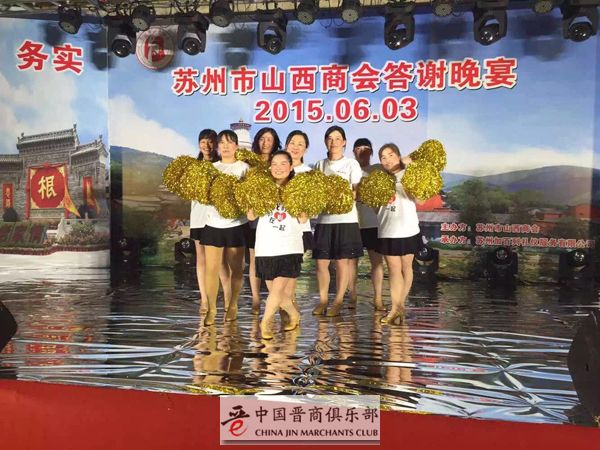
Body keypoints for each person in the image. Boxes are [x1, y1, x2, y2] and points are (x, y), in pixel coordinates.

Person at [247, 151, 305, 340]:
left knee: (278, 290)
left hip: (289, 245)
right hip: (266, 245)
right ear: (270, 167)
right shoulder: (262, 187)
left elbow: (304, 218)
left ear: (291, 166)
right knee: (277, 294)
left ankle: (265, 323)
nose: (278, 167)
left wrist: (300, 205)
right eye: (274, 164)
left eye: (283, 163)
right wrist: (256, 201)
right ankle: (294, 314)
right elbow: (250, 216)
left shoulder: (298, 188)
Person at [312, 126, 364, 317]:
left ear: (344, 142)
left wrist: (340, 195)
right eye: (330, 138)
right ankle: (323, 300)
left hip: (346, 219)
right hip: (324, 220)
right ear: (326, 142)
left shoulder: (351, 164)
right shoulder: (319, 165)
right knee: (321, 263)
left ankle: (338, 301)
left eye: (337, 138)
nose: (333, 142)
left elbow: (357, 192)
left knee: (342, 263)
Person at [201, 130, 249, 326]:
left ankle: (233, 304)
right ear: (217, 146)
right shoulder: (211, 168)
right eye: (222, 143)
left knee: (236, 268)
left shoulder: (245, 168)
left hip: (237, 225)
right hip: (213, 224)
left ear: (236, 146)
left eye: (230, 142)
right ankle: (212, 309)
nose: (226, 146)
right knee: (211, 269)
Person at [377, 143, 422, 325]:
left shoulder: (408, 173)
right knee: (393, 270)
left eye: (391, 155)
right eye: (383, 157)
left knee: (406, 267)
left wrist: (411, 167)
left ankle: (399, 306)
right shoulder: (379, 179)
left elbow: (420, 199)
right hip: (387, 229)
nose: (387, 160)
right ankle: (396, 308)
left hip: (408, 228)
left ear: (399, 155)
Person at [189, 129, 232, 314]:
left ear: (216, 144)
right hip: (198, 217)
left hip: (217, 218)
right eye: (203, 142)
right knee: (201, 259)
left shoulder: (222, 165)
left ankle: (229, 298)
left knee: (220, 261)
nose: (206, 146)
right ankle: (205, 299)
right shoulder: (193, 166)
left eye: (210, 141)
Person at [248, 127, 282, 314]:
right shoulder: (250, 163)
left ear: (275, 142)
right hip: (254, 217)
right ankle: (255, 299)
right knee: (254, 258)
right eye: (262, 138)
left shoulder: (279, 162)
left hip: (274, 217)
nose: (266, 143)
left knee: (273, 257)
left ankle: (275, 297)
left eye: (269, 139)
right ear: (257, 141)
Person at [349, 138, 386, 311]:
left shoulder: (378, 169)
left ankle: (378, 298)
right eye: (358, 148)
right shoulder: (349, 168)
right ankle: (352, 297)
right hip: (353, 223)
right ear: (353, 152)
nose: (362, 151)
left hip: (374, 223)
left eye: (366, 148)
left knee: (377, 262)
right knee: (351, 263)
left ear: (371, 152)